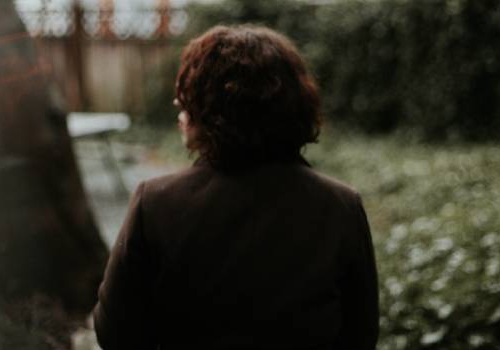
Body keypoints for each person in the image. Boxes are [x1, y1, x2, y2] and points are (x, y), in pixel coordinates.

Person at [93, 25, 379, 350]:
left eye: (189, 95)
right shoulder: (341, 206)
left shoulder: (155, 203)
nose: (177, 103)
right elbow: (361, 335)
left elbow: (114, 332)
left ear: (211, 111)